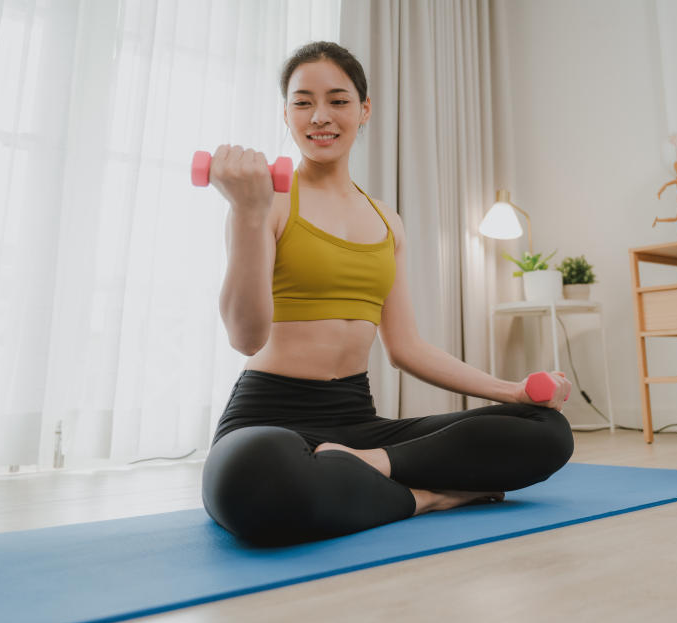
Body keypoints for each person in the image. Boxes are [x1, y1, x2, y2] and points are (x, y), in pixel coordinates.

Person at [201, 41, 574, 547]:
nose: (320, 116)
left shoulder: (386, 221)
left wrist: (513, 391)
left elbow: (407, 348)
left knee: (547, 431)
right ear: (286, 113)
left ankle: (372, 467)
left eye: (337, 99)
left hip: (356, 424)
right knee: (255, 476)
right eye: (303, 101)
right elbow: (245, 338)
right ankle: (430, 497)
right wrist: (246, 212)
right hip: (268, 419)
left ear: (364, 109)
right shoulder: (265, 203)